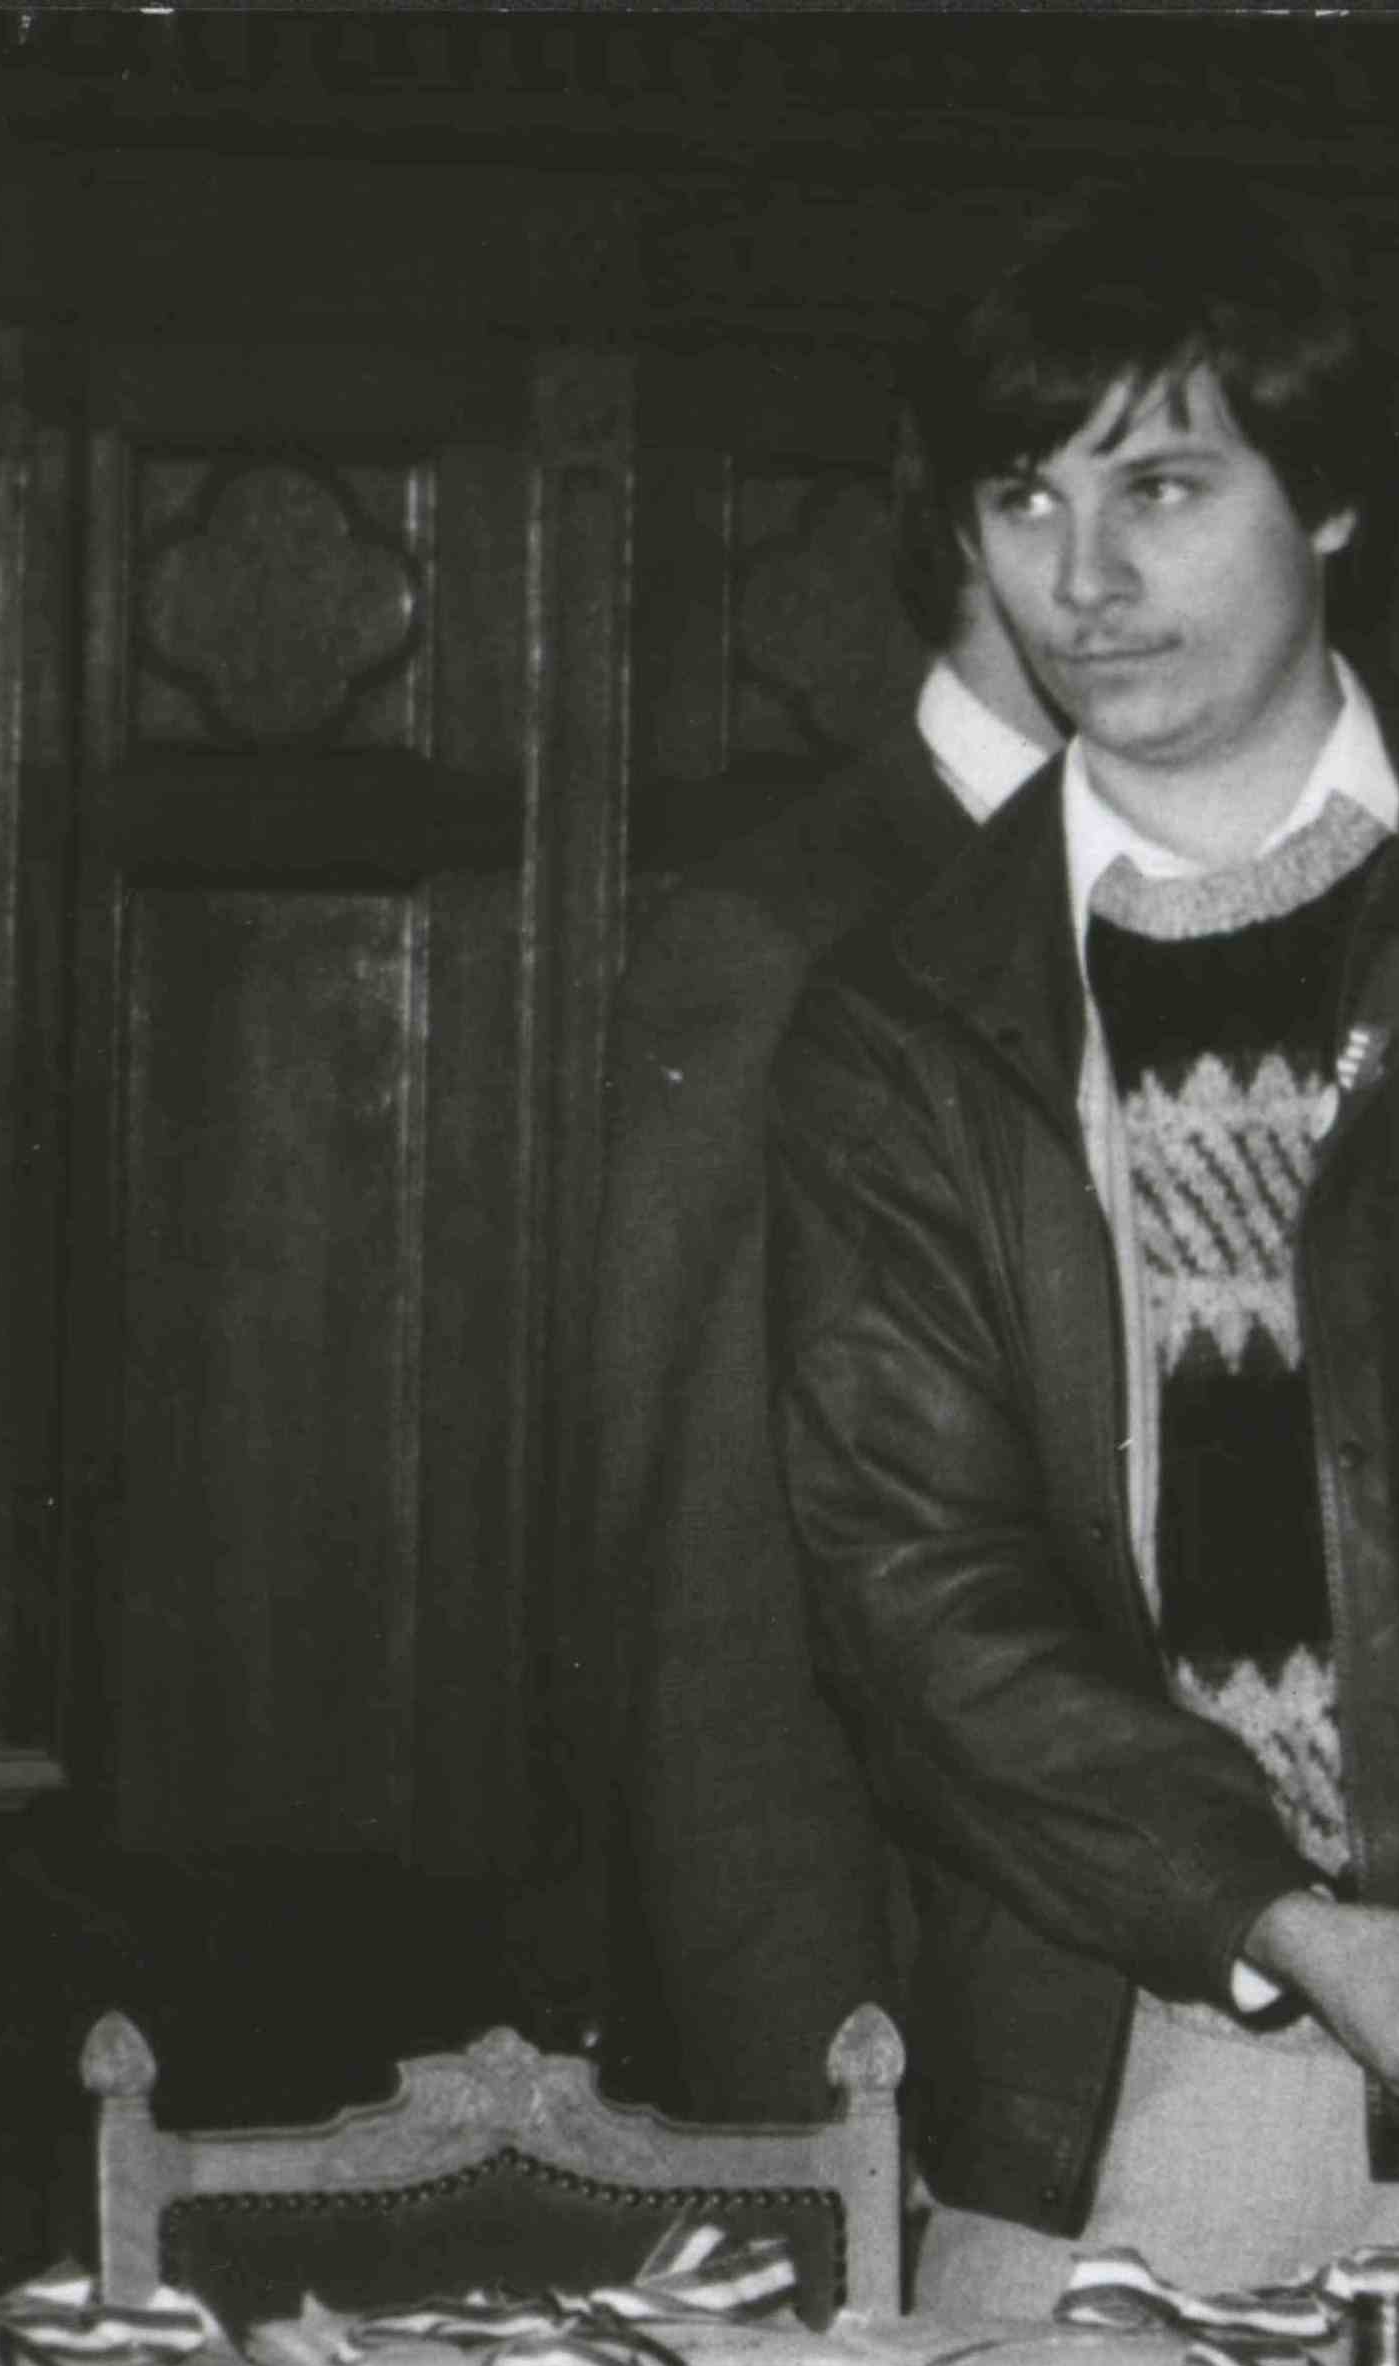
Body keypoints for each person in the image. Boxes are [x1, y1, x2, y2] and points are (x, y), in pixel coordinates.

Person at [768, 187, 1399, 2313]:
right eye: (1024, 500)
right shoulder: (905, 1008)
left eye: (1159, 487)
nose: (1082, 580)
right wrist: (1277, 1921)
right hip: (1140, 2066)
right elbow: (914, 1587)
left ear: (1327, 502)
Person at [597, 410, 1057, 2126]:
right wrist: (812, 2126)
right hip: (916, 2053)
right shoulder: (780, 934)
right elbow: (714, 1608)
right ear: (976, 540)